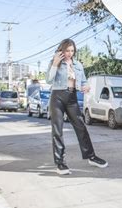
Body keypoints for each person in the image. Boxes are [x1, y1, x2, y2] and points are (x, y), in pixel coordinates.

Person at [46, 38, 108, 175]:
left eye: (72, 50)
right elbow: (49, 80)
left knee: (81, 127)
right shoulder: (55, 62)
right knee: (57, 130)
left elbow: (84, 81)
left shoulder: (78, 65)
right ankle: (60, 163)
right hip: (57, 96)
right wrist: (55, 63)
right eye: (67, 50)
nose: (69, 53)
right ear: (61, 50)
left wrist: (86, 87)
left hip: (72, 97)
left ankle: (91, 156)